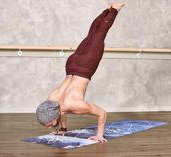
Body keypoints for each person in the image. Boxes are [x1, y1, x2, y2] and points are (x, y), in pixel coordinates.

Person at [36, 3, 125, 143]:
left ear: (54, 116)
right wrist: (63, 128)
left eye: (49, 124)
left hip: (86, 65)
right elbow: (62, 112)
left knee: (100, 33)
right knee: (92, 34)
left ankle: (115, 9)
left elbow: (102, 113)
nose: (48, 127)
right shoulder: (52, 100)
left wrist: (99, 135)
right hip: (71, 64)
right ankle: (107, 10)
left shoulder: (74, 105)